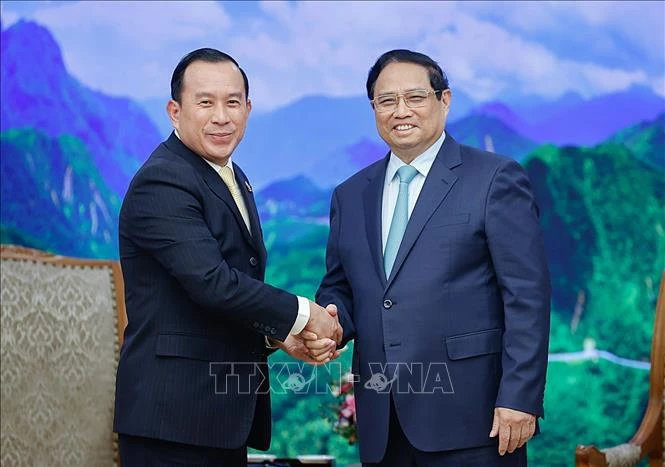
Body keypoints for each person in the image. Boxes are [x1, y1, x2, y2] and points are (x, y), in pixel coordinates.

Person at [311, 49, 551, 466]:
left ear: (445, 100)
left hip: (476, 421)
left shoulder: (494, 179)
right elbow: (341, 286)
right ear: (373, 109)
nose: (400, 111)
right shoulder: (349, 195)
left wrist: (520, 396)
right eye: (386, 101)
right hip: (383, 424)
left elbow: (527, 295)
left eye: (415, 97)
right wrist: (330, 322)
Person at [113, 48, 340, 466]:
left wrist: (278, 335)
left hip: (219, 420)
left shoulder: (234, 176)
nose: (222, 116)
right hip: (171, 422)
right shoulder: (163, 180)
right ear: (174, 111)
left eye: (233, 102)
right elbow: (212, 283)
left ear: (248, 109)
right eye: (206, 102)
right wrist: (304, 314)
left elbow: (224, 294)